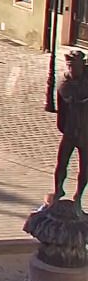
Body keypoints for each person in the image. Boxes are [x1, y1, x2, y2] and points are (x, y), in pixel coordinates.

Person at [54, 51, 88, 202]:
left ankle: (78, 195)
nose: (72, 70)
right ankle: (58, 190)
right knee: (61, 162)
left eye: (74, 67)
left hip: (86, 131)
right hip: (70, 129)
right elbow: (61, 108)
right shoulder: (65, 83)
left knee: (85, 167)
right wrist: (63, 126)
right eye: (69, 67)